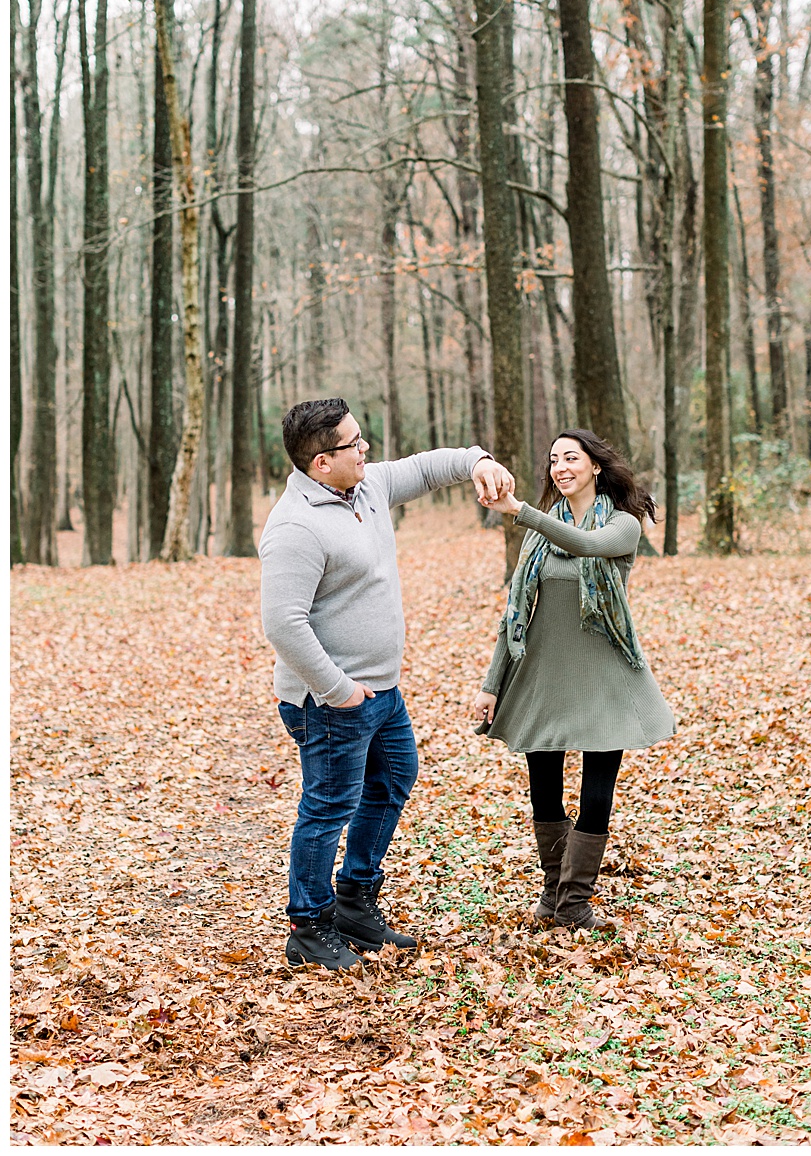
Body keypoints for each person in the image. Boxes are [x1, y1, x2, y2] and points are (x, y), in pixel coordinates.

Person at [261, 398, 514, 971]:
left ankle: (354, 899)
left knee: (396, 776)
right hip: (329, 701)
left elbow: (426, 468)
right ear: (322, 463)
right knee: (328, 808)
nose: (366, 448)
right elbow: (282, 623)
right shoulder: (295, 527)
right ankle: (309, 924)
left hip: (381, 692)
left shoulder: (366, 487)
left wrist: (478, 461)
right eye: (354, 443)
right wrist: (337, 688)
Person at [473, 428, 674, 930]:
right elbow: (515, 612)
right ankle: (553, 893)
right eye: (553, 459)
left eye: (571, 458)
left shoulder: (624, 526)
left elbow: (586, 545)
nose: (560, 467)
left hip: (602, 674)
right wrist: (491, 683)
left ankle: (576, 902)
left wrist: (522, 512)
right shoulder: (542, 532)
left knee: (596, 791)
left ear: (595, 466)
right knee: (543, 788)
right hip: (542, 672)